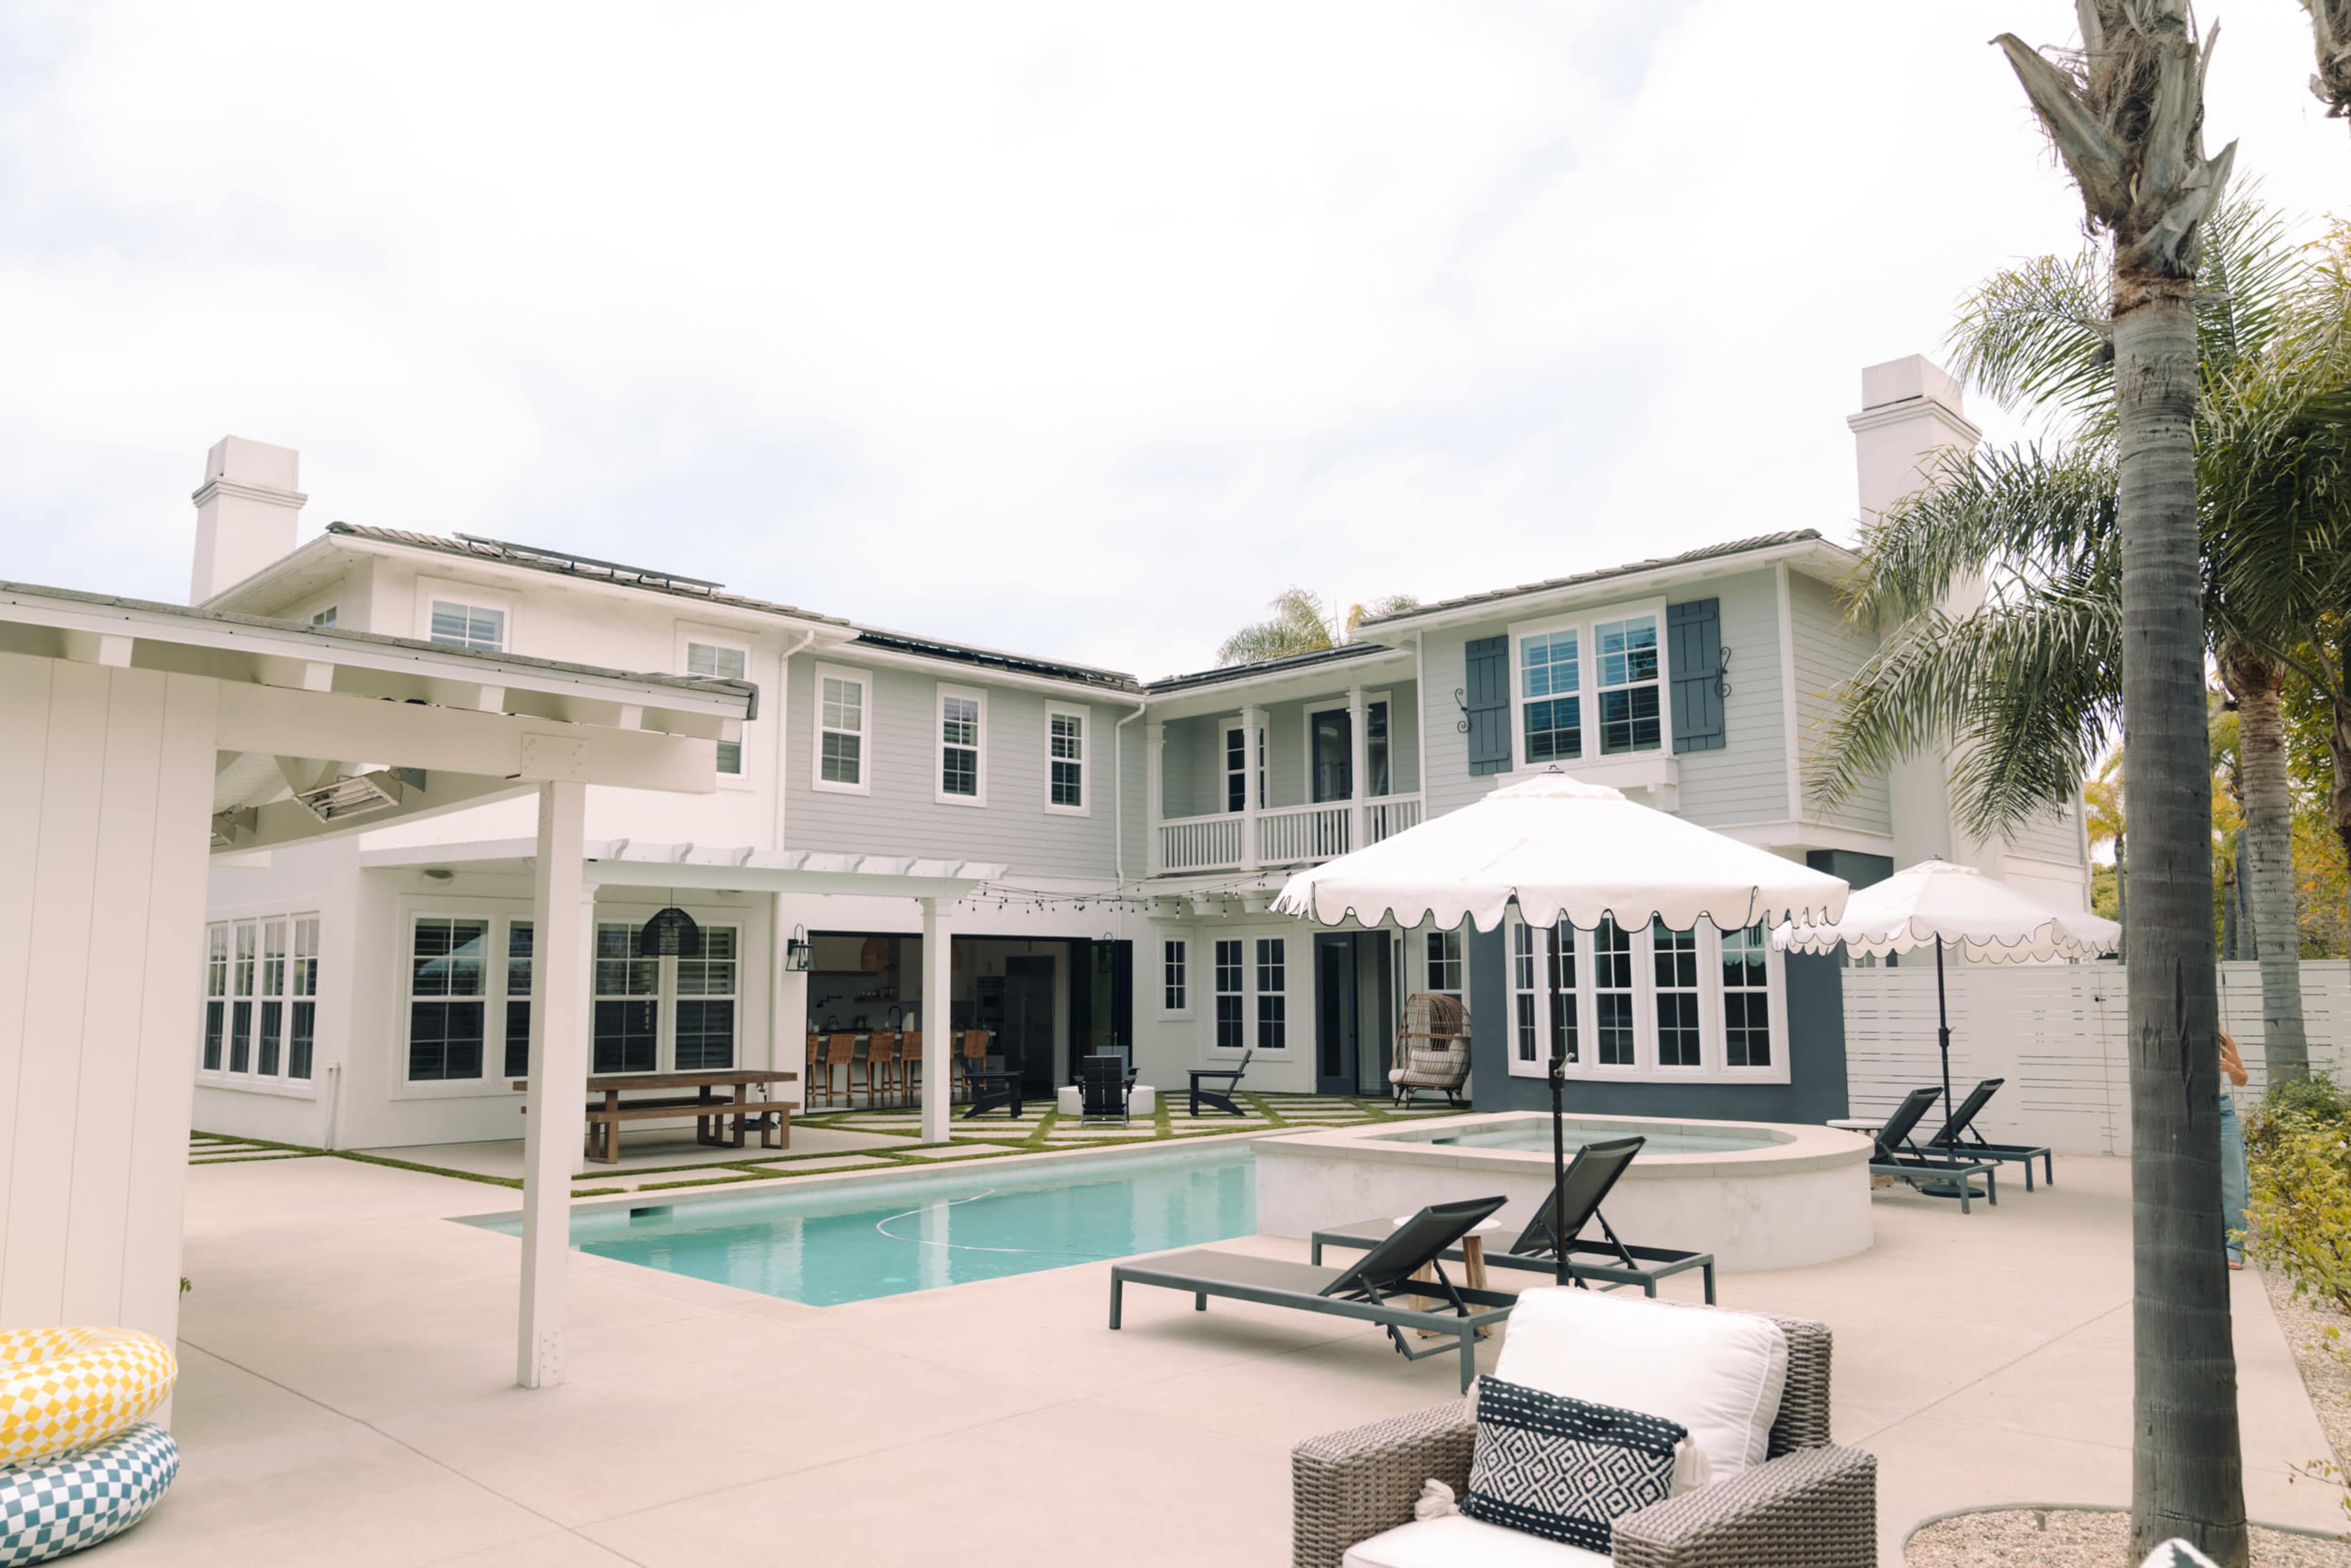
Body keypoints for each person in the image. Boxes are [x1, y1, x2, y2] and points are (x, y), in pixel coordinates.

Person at [2219, 1030, 2250, 1270]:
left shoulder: (2222, 1037)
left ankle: (2233, 1248)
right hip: (2184, 1108)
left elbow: (2242, 1079)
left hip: (2221, 1110)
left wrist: (2231, 1068)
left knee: (2233, 1181)